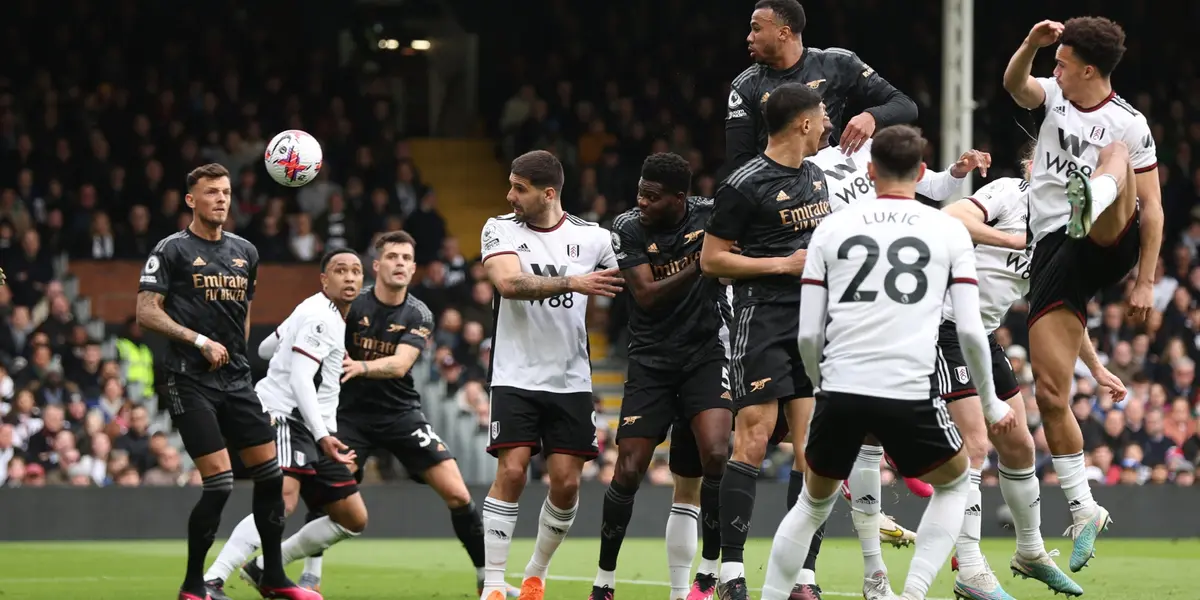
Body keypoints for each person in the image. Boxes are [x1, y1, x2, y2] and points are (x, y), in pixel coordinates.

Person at [760, 124, 1017, 600]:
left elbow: (810, 332)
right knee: (956, 484)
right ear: (922, 172)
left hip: (840, 388)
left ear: (870, 170)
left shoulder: (831, 229)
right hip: (909, 390)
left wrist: (821, 384)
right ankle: (914, 593)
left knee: (810, 505)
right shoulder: (946, 230)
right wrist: (993, 403)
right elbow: (967, 330)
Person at [1002, 16, 1159, 571]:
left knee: (1115, 152)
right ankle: (1084, 508)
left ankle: (1090, 194)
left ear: (1088, 68)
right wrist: (1030, 44)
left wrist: (1144, 279)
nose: (1054, 69)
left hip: (1109, 231)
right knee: (1048, 392)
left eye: (1062, 62)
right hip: (1054, 251)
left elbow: (1155, 209)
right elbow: (1014, 86)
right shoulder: (1052, 98)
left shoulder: (1131, 122)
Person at [937, 163, 1122, 599]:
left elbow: (1061, 311)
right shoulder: (1008, 192)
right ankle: (971, 568)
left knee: (1019, 444)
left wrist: (1095, 368)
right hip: (940, 325)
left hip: (982, 335)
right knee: (975, 444)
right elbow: (952, 217)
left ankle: (1030, 552)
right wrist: (1013, 240)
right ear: (1031, 166)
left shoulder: (1061, 233)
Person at [297, 231, 517, 597]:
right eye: (393, 257)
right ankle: (310, 574)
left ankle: (487, 579)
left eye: (405, 259)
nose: (399, 263)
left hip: (402, 414)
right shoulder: (352, 306)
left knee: (459, 496)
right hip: (350, 416)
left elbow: (401, 365)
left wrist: (361, 367)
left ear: (413, 269)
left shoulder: (419, 313)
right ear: (377, 265)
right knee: (329, 493)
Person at [135, 163, 318, 600]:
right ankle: (193, 585)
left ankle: (273, 578)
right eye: (212, 192)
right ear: (191, 200)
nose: (221, 199)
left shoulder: (246, 252)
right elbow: (146, 310)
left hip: (235, 379)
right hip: (188, 378)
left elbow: (244, 311)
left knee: (271, 477)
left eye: (227, 192)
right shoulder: (171, 250)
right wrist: (198, 340)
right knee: (219, 482)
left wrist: (233, 350)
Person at [699, 82, 827, 600]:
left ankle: (804, 575)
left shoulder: (816, 177)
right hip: (763, 316)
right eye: (821, 118)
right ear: (802, 122)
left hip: (813, 321)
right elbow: (712, 260)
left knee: (811, 448)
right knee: (754, 435)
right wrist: (782, 264)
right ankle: (731, 574)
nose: (827, 126)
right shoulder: (743, 183)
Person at [478, 150, 624, 600]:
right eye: (510, 185)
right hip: (514, 374)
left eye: (519, 188)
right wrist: (574, 283)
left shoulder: (594, 238)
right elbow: (508, 284)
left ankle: (535, 573)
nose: (510, 195)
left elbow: (634, 279)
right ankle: (495, 584)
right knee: (514, 470)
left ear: (548, 193)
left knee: (565, 482)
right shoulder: (498, 227)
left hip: (571, 379)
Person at [591, 153, 732, 600]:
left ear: (679, 197)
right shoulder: (628, 226)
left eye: (652, 196)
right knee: (629, 469)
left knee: (715, 455)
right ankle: (604, 581)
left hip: (705, 355)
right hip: (650, 361)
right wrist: (704, 262)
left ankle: (707, 576)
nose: (642, 202)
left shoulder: (712, 214)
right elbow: (647, 295)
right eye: (639, 192)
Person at [201, 249, 368, 600]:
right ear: (325, 279)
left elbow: (264, 349)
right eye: (340, 271)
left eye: (356, 271)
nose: (350, 277)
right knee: (282, 501)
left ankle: (263, 569)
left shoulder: (311, 310)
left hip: (309, 423)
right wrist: (324, 436)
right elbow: (301, 381)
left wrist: (292, 340)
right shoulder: (320, 318)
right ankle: (212, 580)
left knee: (352, 516)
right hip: (286, 416)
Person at [725, 0, 917, 174]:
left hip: (832, 182)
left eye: (756, 29)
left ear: (783, 33)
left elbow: (905, 105)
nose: (749, 37)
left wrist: (872, 116)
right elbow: (738, 164)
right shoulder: (745, 85)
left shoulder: (837, 63)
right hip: (776, 188)